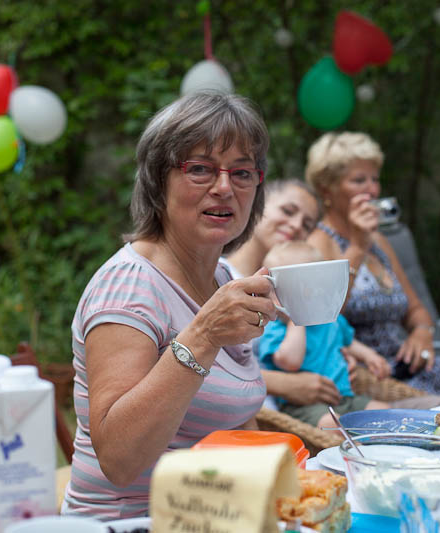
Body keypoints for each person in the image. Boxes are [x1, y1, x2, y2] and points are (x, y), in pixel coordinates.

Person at [62, 92, 279, 520]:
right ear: (157, 181)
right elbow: (119, 460)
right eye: (200, 169)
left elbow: (235, 421)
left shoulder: (222, 279)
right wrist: (203, 336)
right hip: (131, 521)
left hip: (214, 518)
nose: (224, 188)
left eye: (241, 172)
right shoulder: (129, 285)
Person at [305, 131, 440, 398]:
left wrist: (422, 332)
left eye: (375, 179)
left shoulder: (379, 241)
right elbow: (323, 317)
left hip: (408, 365)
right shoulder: (317, 244)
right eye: (359, 180)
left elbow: (416, 308)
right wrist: (357, 247)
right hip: (367, 376)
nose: (372, 190)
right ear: (327, 189)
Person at [223, 179, 347, 408]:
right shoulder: (219, 276)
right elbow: (201, 358)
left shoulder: (291, 291)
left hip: (299, 409)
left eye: (307, 225)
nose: (297, 225)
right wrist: (284, 384)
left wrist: (335, 363)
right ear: (257, 205)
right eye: (288, 211)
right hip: (245, 413)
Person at [257, 240, 393, 428]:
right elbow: (290, 362)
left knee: (386, 413)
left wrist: (370, 356)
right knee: (332, 425)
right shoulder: (274, 328)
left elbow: (348, 342)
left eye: (306, 286)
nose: (300, 294)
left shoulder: (329, 319)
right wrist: (297, 320)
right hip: (305, 405)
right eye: (288, 289)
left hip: (345, 397)